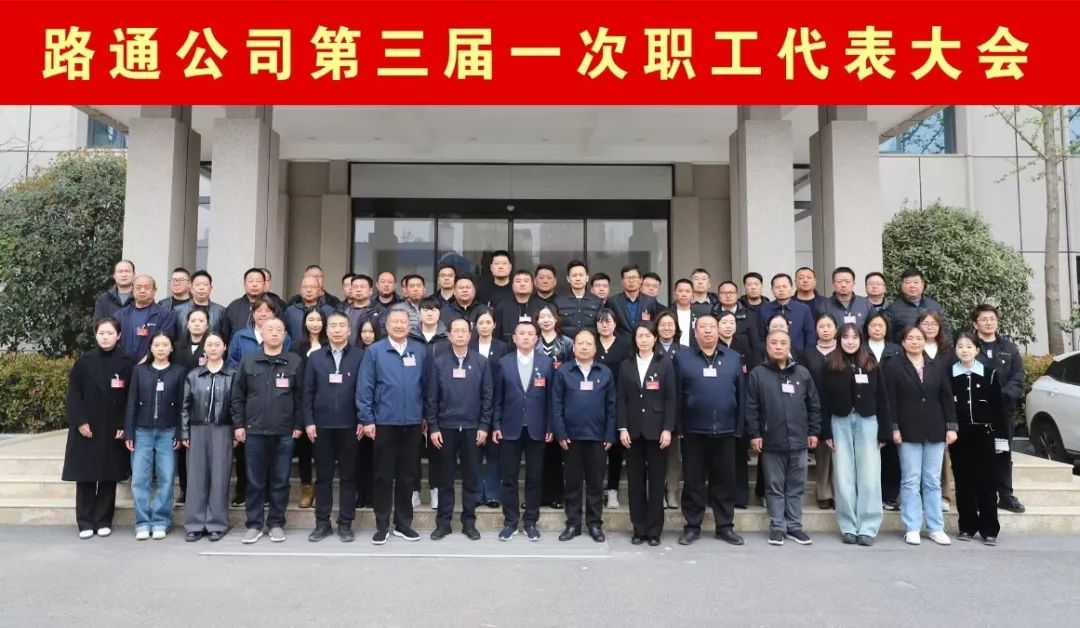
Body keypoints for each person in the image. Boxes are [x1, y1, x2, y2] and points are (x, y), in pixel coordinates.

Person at [672, 313, 745, 546]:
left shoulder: (733, 358)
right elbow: (676, 394)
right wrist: (678, 426)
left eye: (711, 326)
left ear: (718, 330)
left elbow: (741, 394)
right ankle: (692, 526)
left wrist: (739, 426)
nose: (707, 331)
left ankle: (725, 526)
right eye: (702, 327)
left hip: (725, 430)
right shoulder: (683, 358)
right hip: (693, 431)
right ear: (695, 333)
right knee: (693, 481)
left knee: (724, 481)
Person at [357, 308, 428, 545]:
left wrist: (426, 416)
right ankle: (382, 525)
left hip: (413, 422)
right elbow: (365, 387)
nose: (399, 325)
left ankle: (403, 524)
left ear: (410, 326)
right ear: (386, 326)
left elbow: (426, 386)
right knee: (383, 475)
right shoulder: (375, 351)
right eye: (394, 322)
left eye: (403, 322)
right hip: (384, 422)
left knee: (408, 476)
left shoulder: (419, 350)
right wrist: (367, 419)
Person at [883, 325, 957, 546]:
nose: (915, 342)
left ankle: (935, 527)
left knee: (932, 480)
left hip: (935, 429)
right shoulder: (894, 366)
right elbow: (890, 400)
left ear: (925, 341)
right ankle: (912, 526)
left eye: (919, 338)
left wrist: (951, 426)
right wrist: (894, 427)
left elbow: (946, 397)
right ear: (903, 342)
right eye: (910, 338)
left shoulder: (936, 365)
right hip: (907, 430)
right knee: (910, 480)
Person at [231, 317, 303, 544]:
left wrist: (298, 425)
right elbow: (238, 397)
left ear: (285, 335)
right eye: (269, 329)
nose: (274, 333)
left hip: (284, 432)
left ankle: (276, 523)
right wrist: (239, 425)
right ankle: (254, 524)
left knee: (280, 480)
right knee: (254, 480)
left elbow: (301, 398)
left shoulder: (294, 361)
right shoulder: (249, 361)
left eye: (278, 330)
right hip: (254, 431)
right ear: (261, 332)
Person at [62, 317, 135, 539]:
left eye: (110, 333)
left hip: (113, 427)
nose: (105, 337)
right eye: (101, 333)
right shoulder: (84, 361)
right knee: (85, 476)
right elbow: (74, 394)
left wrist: (124, 424)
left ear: (118, 335)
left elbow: (131, 397)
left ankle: (103, 520)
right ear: (95, 335)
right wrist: (80, 421)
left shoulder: (127, 362)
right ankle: (84, 521)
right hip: (87, 426)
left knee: (108, 475)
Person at [747, 330, 821, 546]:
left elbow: (813, 405)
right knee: (775, 486)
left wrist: (814, 431)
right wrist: (755, 434)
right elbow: (751, 408)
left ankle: (794, 526)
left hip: (799, 440)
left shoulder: (802, 373)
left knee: (797, 486)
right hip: (771, 440)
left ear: (789, 347)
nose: (778, 346)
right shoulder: (758, 374)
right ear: (767, 346)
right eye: (773, 343)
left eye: (782, 343)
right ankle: (778, 526)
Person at [820, 324, 891, 546]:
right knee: (843, 476)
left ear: (861, 340)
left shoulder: (871, 364)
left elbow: (883, 398)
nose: (850, 341)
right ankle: (848, 526)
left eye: (854, 337)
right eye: (845, 337)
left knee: (869, 476)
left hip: (868, 422)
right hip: (839, 422)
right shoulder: (830, 365)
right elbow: (823, 401)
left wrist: (885, 432)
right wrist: (825, 431)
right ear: (839, 340)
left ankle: (868, 526)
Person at [425, 318, 494, 540]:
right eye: (456, 331)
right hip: (446, 428)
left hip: (473, 428)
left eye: (464, 331)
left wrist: (484, 425)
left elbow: (487, 396)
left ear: (470, 334)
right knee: (445, 478)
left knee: (471, 478)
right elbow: (431, 397)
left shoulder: (481, 362)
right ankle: (444, 523)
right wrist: (433, 426)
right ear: (450, 335)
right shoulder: (439, 362)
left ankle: (469, 523)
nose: (461, 334)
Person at [303, 312, 364, 543]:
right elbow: (307, 392)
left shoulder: (360, 356)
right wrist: (309, 421)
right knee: (323, 477)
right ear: (326, 331)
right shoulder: (316, 357)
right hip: (322, 426)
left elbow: (366, 390)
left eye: (341, 326)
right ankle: (322, 523)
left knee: (349, 477)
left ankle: (345, 523)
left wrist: (363, 420)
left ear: (349, 330)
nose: (337, 330)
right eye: (333, 326)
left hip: (351, 425)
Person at [493, 321, 555, 541]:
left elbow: (552, 398)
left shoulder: (546, 363)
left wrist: (550, 426)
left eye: (530, 334)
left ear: (536, 339)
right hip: (510, 428)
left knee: (534, 477)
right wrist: (496, 425)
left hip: (537, 429)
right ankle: (510, 522)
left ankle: (531, 522)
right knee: (509, 478)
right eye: (522, 333)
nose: (526, 337)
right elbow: (497, 398)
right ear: (514, 338)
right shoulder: (504, 363)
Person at [553, 329, 616, 543]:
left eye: (589, 343)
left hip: (597, 438)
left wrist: (610, 434)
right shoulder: (563, 372)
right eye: (580, 343)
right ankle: (573, 524)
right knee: (572, 483)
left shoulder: (605, 372)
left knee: (595, 484)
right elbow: (556, 405)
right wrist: (560, 433)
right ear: (574, 347)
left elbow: (612, 406)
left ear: (595, 348)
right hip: (571, 438)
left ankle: (595, 524)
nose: (584, 347)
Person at [616, 322, 677, 546]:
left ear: (655, 338)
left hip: (657, 431)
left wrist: (668, 429)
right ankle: (638, 528)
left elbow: (671, 398)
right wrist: (622, 427)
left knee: (656, 482)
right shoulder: (626, 365)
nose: (643, 340)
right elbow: (621, 399)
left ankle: (654, 530)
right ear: (635, 339)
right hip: (632, 432)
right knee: (635, 483)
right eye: (640, 336)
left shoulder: (665, 363)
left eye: (648, 336)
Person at [124, 332, 186, 540]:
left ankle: (161, 520)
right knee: (139, 479)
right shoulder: (140, 371)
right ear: (150, 348)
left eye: (165, 345)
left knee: (166, 478)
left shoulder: (179, 371)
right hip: (142, 431)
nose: (160, 348)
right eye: (157, 345)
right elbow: (131, 402)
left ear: (171, 348)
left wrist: (180, 431)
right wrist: (129, 432)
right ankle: (142, 522)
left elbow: (182, 405)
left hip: (168, 431)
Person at [950, 332, 1006, 545]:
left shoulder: (989, 374)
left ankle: (989, 529)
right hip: (959, 435)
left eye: (969, 346)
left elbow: (998, 409)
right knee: (963, 481)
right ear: (955, 349)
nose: (964, 350)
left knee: (987, 482)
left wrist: (1001, 441)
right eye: (960, 346)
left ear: (977, 350)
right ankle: (967, 526)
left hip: (985, 434)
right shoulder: (949, 374)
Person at [179, 331, 235, 542]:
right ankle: (194, 524)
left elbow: (237, 405)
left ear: (224, 347)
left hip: (223, 429)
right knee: (196, 478)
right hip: (197, 429)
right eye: (209, 344)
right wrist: (184, 432)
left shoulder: (233, 375)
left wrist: (237, 429)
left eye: (217, 344)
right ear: (204, 348)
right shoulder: (194, 375)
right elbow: (185, 406)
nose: (213, 348)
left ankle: (216, 524)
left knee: (220, 477)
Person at [971, 304, 1026, 514]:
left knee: (1002, 453)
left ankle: (1005, 495)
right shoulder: (968, 346)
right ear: (975, 323)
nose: (988, 322)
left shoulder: (1009, 348)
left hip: (1002, 413)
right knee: (979, 454)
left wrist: (999, 397)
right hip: (976, 413)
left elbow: (1017, 379)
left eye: (992, 319)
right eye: (983, 319)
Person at [536, 304, 573, 508]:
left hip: (560, 400)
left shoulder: (567, 343)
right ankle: (539, 496)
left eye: (549, 316)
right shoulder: (532, 341)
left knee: (556, 453)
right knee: (538, 453)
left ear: (556, 319)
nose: (546, 320)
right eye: (542, 316)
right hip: (537, 400)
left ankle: (557, 496)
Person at [594, 308, 632, 509]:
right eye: (601, 321)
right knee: (596, 450)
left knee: (615, 449)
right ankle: (596, 489)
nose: (604, 325)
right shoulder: (591, 343)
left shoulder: (625, 344)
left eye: (608, 321)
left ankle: (612, 491)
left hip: (618, 401)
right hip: (594, 402)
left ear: (615, 324)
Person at [470, 310, 509, 508]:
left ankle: (493, 494)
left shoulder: (503, 347)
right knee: (474, 453)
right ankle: (477, 493)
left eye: (488, 322)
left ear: (494, 325)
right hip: (472, 404)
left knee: (494, 453)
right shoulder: (469, 346)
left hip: (496, 402)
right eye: (480, 322)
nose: (484, 326)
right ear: (475, 326)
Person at [865, 311, 902, 511]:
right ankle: (871, 495)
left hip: (893, 405)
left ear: (887, 329)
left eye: (881, 325)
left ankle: (890, 495)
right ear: (867, 328)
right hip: (868, 405)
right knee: (869, 453)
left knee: (891, 454)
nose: (877, 329)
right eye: (873, 325)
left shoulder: (896, 350)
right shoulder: (861, 349)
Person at [293, 307, 329, 510]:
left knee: (322, 452)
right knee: (304, 451)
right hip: (302, 402)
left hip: (324, 403)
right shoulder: (298, 347)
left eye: (318, 320)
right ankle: (307, 489)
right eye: (311, 319)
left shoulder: (329, 345)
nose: (315, 324)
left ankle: (321, 490)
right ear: (305, 323)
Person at [803, 313, 838, 510]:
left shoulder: (843, 351)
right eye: (821, 326)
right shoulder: (808, 354)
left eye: (829, 326)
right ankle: (824, 492)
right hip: (816, 407)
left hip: (840, 407)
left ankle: (839, 493)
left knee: (840, 453)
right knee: (823, 452)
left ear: (835, 328)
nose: (825, 330)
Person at [653, 310, 683, 510]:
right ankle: (657, 491)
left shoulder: (684, 351)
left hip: (676, 407)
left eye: (670, 324)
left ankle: (672, 490)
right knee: (655, 453)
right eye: (662, 324)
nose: (666, 328)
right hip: (652, 406)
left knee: (673, 453)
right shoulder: (648, 346)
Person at [115, 274, 176, 360]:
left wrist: (145, 362)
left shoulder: (165, 315)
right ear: (132, 290)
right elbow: (114, 341)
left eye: (147, 287)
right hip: (122, 363)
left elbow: (165, 343)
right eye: (138, 287)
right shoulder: (120, 315)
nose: (142, 290)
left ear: (154, 290)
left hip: (151, 364)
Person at [354, 319, 381, 509]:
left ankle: (372, 495)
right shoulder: (355, 354)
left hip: (377, 415)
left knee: (374, 459)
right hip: (357, 416)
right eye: (364, 331)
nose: (367, 335)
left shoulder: (380, 353)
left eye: (371, 331)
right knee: (358, 459)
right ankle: (360, 495)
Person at [886, 268, 950, 343]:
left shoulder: (935, 306)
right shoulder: (893, 309)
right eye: (908, 282)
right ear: (902, 286)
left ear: (923, 285)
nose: (912, 286)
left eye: (916, 282)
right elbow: (888, 337)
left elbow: (946, 333)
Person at [227, 297, 294, 369]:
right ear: (253, 314)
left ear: (274, 314)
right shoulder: (240, 336)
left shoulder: (283, 337)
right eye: (259, 311)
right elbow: (232, 363)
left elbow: (288, 364)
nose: (263, 314)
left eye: (268, 311)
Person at [758, 273, 815, 351]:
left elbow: (810, 336)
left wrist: (807, 356)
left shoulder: (803, 309)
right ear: (772, 290)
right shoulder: (764, 310)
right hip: (772, 354)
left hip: (798, 355)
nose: (781, 290)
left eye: (784, 286)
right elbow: (761, 337)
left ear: (791, 288)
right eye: (777, 287)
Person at [175, 270, 230, 346]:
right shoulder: (178, 311)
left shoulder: (221, 311)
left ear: (210, 288)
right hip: (184, 352)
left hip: (211, 351)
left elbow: (225, 338)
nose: (201, 288)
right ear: (191, 287)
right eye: (197, 285)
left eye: (205, 285)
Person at [554, 260, 603, 339]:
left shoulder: (597, 301)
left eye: (581, 275)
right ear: (568, 279)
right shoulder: (558, 301)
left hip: (590, 345)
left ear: (587, 278)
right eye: (574, 275)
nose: (578, 278)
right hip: (565, 345)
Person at [495, 269, 545, 346]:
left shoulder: (542, 307)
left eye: (526, 281)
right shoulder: (502, 306)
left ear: (532, 285)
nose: (522, 284)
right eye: (518, 281)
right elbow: (496, 334)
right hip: (507, 350)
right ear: (513, 285)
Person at [225, 268, 280, 338]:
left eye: (258, 281)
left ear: (264, 284)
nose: (254, 284)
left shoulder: (274, 307)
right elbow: (225, 334)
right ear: (244, 284)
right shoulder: (234, 306)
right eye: (251, 281)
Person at [609, 264, 659, 337]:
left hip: (643, 341)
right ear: (622, 281)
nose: (631, 281)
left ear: (641, 280)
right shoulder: (613, 301)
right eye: (628, 278)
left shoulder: (650, 301)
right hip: (620, 341)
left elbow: (654, 324)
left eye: (634, 277)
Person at [284, 275, 336, 343]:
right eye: (305, 287)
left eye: (313, 287)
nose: (309, 290)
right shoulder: (291, 311)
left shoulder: (329, 311)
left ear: (320, 291)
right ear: (300, 290)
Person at [345, 274, 387, 346]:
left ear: (370, 290)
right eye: (355, 287)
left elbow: (382, 336)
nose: (358, 290)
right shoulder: (343, 310)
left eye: (362, 287)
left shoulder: (380, 311)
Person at [671, 279, 696, 347]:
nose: (684, 294)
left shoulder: (700, 315)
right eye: (680, 291)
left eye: (687, 291)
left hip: (694, 351)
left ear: (692, 294)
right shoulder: (667, 314)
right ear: (674, 294)